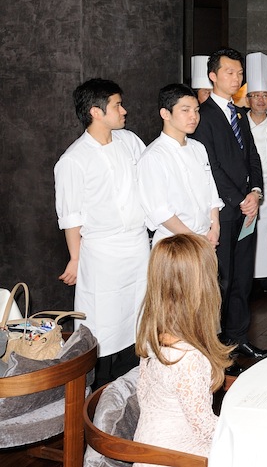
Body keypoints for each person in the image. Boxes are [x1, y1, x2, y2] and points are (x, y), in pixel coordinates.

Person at [55, 78, 148, 386]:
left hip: (137, 246)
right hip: (102, 253)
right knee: (103, 322)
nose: (124, 111)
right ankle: (100, 390)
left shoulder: (130, 141)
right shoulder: (73, 159)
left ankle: (133, 383)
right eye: (117, 105)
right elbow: (71, 215)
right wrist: (75, 258)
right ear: (96, 112)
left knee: (138, 315)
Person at [189, 48, 267, 361]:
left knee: (242, 277)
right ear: (213, 76)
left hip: (247, 210)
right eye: (229, 72)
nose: (236, 78)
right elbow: (211, 166)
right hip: (222, 212)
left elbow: (252, 157)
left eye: (239, 73)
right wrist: (239, 199)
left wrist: (256, 192)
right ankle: (216, 347)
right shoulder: (203, 114)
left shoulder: (238, 112)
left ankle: (239, 338)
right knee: (220, 281)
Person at [132, 234, 233, 465]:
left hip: (146, 449)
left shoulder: (154, 336)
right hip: (176, 457)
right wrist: (241, 431)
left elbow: (142, 392)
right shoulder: (189, 358)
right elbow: (204, 427)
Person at [138, 84, 224, 247]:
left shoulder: (198, 147)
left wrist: (215, 228)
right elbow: (160, 210)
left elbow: (211, 193)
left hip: (205, 238)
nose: (194, 117)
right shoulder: (153, 156)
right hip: (173, 242)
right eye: (185, 110)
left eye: (196, 110)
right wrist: (194, 239)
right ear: (165, 114)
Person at [244, 52, 267, 298]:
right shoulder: (237, 123)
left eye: (265, 96)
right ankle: (248, 280)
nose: (260, 100)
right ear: (247, 99)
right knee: (248, 233)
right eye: (255, 95)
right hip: (246, 188)